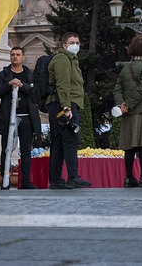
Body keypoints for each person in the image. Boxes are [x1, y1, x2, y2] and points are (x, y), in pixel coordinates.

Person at [46, 32, 91, 190]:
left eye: (78, 42)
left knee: (58, 143)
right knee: (71, 140)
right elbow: (63, 84)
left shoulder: (71, 60)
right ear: (64, 45)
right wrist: (66, 107)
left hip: (62, 103)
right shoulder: (62, 59)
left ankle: (56, 179)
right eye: (72, 42)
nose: (76, 45)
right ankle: (73, 177)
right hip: (64, 104)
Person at [0, 46, 40, 189]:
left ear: (23, 57)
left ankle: (25, 181)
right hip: (8, 118)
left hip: (26, 118)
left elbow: (35, 94)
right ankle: (4, 180)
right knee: (6, 149)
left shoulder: (29, 74)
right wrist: (9, 84)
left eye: (18, 54)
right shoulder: (4, 74)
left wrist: (22, 85)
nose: (15, 57)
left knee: (26, 151)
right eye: (12, 54)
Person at [113, 35, 142, 188]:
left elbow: (117, 88)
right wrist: (129, 104)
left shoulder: (126, 68)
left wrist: (122, 105)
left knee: (129, 145)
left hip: (128, 112)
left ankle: (129, 177)